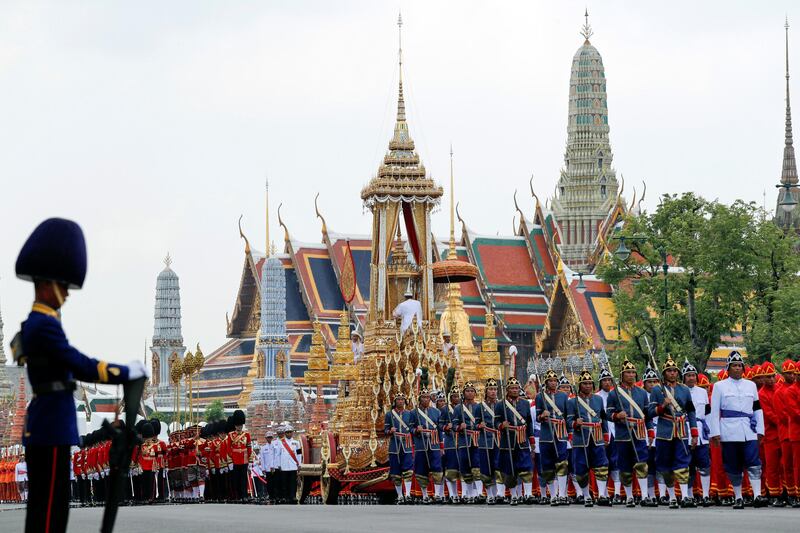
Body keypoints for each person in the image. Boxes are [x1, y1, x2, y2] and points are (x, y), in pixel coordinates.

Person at [12, 218, 147, 533]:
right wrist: (125, 372)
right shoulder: (43, 324)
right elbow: (79, 364)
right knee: (50, 514)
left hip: (48, 423)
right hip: (51, 426)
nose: (67, 294)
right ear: (46, 284)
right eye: (63, 285)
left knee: (50, 510)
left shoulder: (38, 324)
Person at [708, 351, 768, 509]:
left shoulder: (751, 385)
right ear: (728, 368)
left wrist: (760, 429)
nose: (737, 368)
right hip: (729, 431)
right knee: (733, 466)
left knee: (754, 463)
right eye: (734, 365)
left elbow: (757, 409)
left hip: (749, 430)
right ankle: (738, 496)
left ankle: (757, 495)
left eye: (740, 365)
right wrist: (715, 433)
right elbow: (714, 412)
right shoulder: (720, 387)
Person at [648, 355, 698, 509]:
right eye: (669, 371)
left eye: (674, 371)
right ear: (664, 373)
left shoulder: (684, 389)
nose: (672, 373)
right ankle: (672, 497)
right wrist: (663, 405)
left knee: (683, 462)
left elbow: (691, 411)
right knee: (664, 463)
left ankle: (684, 496)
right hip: (665, 431)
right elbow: (650, 412)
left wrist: (694, 432)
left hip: (682, 429)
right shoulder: (657, 390)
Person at [607, 358, 655, 507]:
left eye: (633, 372)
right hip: (622, 434)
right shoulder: (614, 394)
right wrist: (617, 416)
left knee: (642, 464)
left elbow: (647, 414)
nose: (631, 375)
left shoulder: (641, 393)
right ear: (622, 375)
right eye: (628, 372)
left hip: (639, 432)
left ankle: (644, 496)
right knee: (625, 466)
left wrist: (650, 431)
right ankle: (629, 496)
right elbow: (608, 413)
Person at [499, 377, 535, 506]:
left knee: (526, 467)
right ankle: (514, 496)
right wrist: (501, 425)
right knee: (510, 469)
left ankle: (528, 494)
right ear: (507, 390)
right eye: (512, 388)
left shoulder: (525, 404)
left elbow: (529, 423)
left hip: (522, 439)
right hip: (507, 440)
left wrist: (532, 441)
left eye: (516, 388)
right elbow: (496, 422)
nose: (514, 390)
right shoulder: (500, 404)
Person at [536, 369, 569, 505]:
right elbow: (537, 417)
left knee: (562, 463)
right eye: (550, 381)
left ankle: (562, 494)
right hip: (546, 434)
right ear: (546, 382)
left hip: (560, 433)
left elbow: (567, 416)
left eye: (555, 381)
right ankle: (553, 494)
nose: (553, 383)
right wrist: (542, 415)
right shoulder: (540, 397)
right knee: (548, 465)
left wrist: (570, 434)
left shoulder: (563, 396)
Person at [681, 360, 712, 506]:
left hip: (701, 433)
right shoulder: (679, 391)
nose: (691, 378)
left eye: (693, 375)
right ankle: (689, 494)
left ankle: (706, 494)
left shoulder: (702, 392)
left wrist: (711, 433)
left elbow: (708, 414)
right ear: (684, 377)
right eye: (688, 375)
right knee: (688, 466)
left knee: (704, 464)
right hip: (685, 431)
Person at [409, 387, 444, 503]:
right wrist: (416, 430)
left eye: (427, 397)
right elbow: (410, 428)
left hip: (434, 443)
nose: (426, 399)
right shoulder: (414, 413)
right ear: (419, 399)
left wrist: (441, 446)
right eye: (423, 397)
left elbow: (439, 430)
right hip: (421, 443)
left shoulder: (436, 412)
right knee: (421, 469)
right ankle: (424, 495)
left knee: (437, 468)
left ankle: (438, 494)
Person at [452, 381, 482, 502]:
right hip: (464, 440)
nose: (469, 393)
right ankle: (469, 494)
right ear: (464, 393)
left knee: (477, 466)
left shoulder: (479, 406)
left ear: (475, 393)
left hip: (477, 439)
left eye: (471, 391)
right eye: (467, 391)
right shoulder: (458, 408)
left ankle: (479, 493)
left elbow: (483, 422)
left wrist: (480, 425)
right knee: (465, 466)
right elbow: (454, 425)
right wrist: (460, 427)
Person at [384, 392, 414, 503]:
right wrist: (390, 431)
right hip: (394, 445)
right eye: (398, 399)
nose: (400, 401)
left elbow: (412, 428)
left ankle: (408, 494)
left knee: (408, 470)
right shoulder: (389, 415)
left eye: (402, 399)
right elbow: (385, 430)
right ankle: (400, 495)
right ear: (395, 401)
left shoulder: (409, 414)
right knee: (396, 471)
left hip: (406, 444)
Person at [438, 386, 462, 503]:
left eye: (458, 396)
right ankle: (453, 494)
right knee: (451, 469)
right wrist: (446, 427)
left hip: (462, 442)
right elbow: (440, 425)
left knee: (463, 469)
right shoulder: (444, 409)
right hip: (450, 442)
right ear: (451, 397)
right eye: (454, 396)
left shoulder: (464, 409)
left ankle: (465, 494)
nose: (456, 398)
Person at [228, 410, 252, 502]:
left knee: (243, 479)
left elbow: (249, 447)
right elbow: (228, 448)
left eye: (241, 425)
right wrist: (230, 461)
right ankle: (238, 496)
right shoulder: (231, 435)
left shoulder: (247, 435)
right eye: (238, 425)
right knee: (236, 479)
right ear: (235, 425)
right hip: (235, 459)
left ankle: (244, 495)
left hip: (244, 459)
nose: (239, 426)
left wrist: (250, 460)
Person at [276, 424, 301, 504]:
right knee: (284, 483)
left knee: (293, 483)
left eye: (290, 432)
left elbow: (299, 454)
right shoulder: (281, 442)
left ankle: (293, 496)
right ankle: (285, 497)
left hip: (293, 465)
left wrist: (299, 464)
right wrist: (278, 465)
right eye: (287, 432)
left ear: (292, 432)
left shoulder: (296, 443)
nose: (289, 434)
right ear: (285, 433)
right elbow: (278, 454)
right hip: (284, 466)